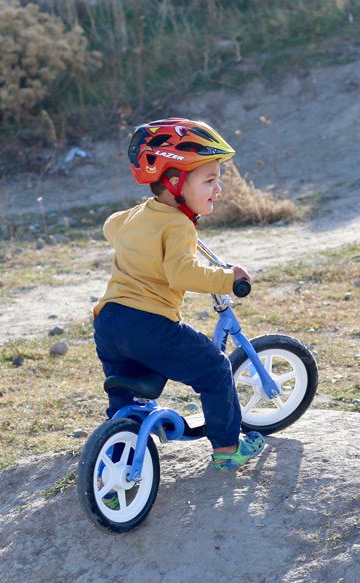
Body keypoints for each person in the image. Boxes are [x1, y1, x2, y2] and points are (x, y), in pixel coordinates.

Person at [92, 117, 264, 474]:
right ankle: (228, 449)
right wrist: (228, 279)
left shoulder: (136, 216)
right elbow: (181, 273)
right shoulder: (179, 225)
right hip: (149, 324)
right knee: (215, 369)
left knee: (127, 393)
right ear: (174, 183)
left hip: (109, 323)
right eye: (209, 181)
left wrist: (140, 233)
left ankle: (116, 457)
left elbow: (110, 227)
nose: (218, 189)